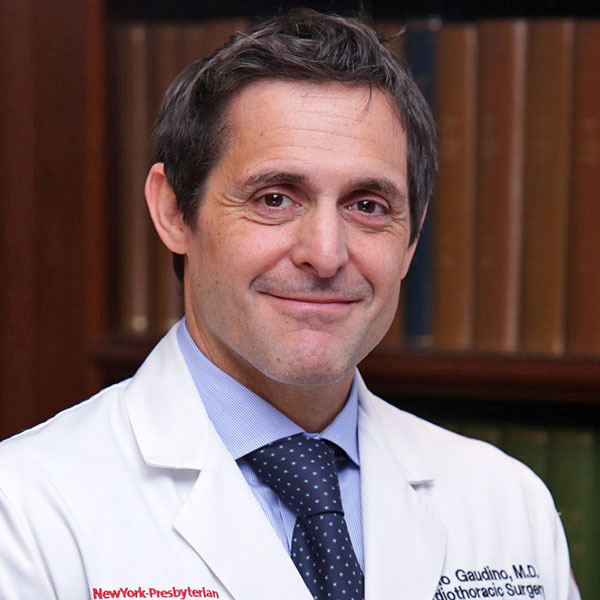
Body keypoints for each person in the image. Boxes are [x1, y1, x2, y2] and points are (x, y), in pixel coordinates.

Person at [0, 9, 579, 600]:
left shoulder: (507, 503)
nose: (326, 255)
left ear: (412, 239)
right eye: (275, 198)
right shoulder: (24, 510)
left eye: (368, 206)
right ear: (174, 211)